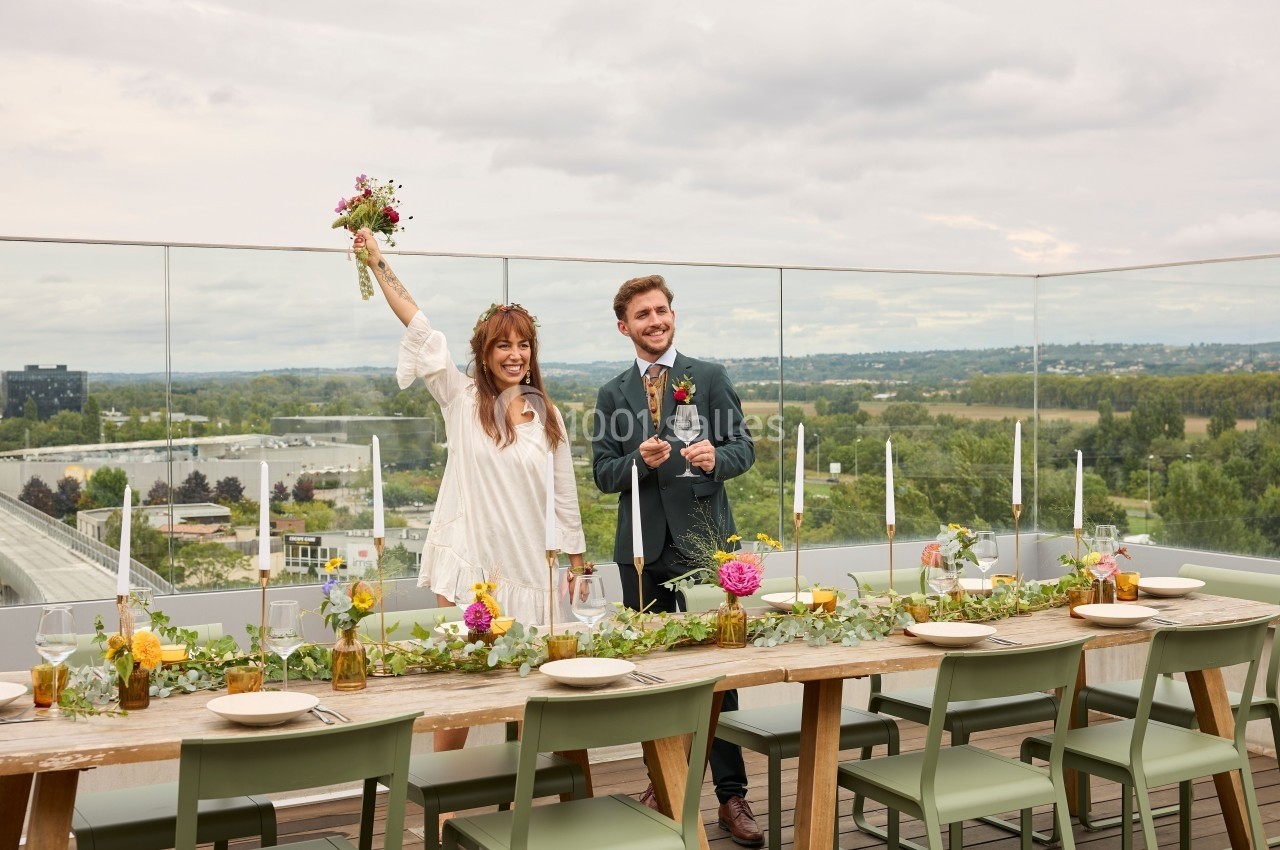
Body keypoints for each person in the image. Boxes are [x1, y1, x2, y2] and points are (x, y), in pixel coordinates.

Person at [355, 228, 588, 753]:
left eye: (523, 344)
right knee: (459, 696)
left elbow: (564, 493)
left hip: (532, 568)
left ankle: (535, 812)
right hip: (471, 563)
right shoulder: (459, 399)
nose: (515, 354)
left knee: (536, 699)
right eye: (503, 344)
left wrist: (576, 563)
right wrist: (376, 261)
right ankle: (442, 818)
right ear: (483, 355)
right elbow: (418, 321)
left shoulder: (546, 413)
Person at [590, 274, 762, 847]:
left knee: (721, 676)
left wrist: (716, 458)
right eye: (643, 315)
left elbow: (745, 450)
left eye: (661, 311)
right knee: (654, 674)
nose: (655, 321)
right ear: (624, 326)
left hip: (708, 547)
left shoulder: (708, 377)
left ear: (672, 315)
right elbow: (602, 474)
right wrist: (637, 460)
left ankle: (731, 796)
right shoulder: (613, 394)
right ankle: (663, 782)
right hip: (642, 551)